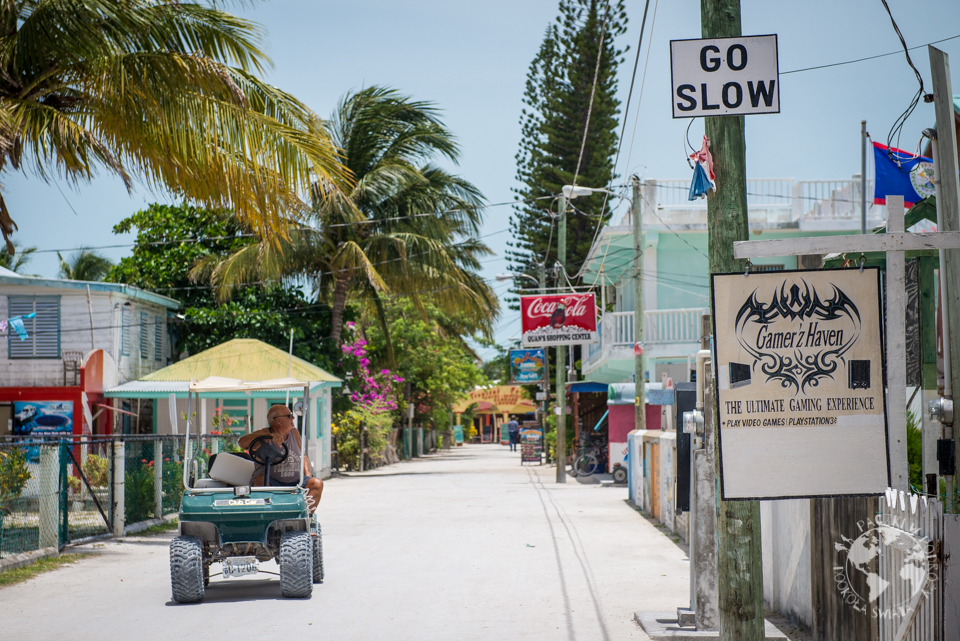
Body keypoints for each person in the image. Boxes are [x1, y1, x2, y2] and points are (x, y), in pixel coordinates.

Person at [238, 404, 323, 513]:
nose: (293, 418)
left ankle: (304, 518)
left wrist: (307, 475)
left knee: (317, 483)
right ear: (278, 420)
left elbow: (303, 455)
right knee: (260, 479)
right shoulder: (264, 436)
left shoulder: (294, 432)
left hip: (295, 482)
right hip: (273, 482)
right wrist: (268, 435)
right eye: (289, 416)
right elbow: (242, 442)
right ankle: (265, 516)